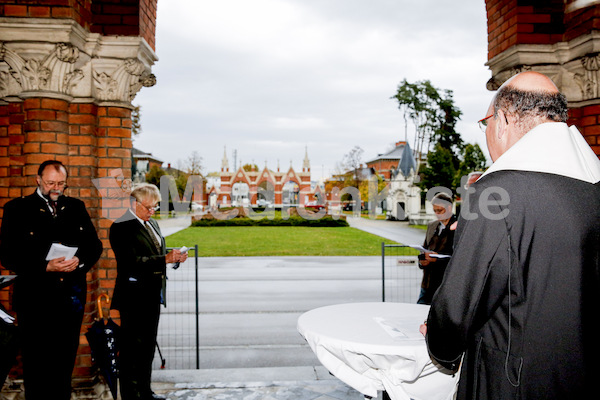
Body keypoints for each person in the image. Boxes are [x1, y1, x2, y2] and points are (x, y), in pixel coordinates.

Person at [422, 71, 600, 399]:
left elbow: (459, 305)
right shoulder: (593, 184)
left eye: (485, 122)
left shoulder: (494, 193)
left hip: (511, 381)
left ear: (503, 119)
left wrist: (440, 342)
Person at [0, 160, 102, 400]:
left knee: (64, 365)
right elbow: (7, 255)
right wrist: (45, 266)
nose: (56, 188)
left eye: (61, 183)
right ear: (38, 180)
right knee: (37, 368)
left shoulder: (76, 207)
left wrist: (79, 261)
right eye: (50, 183)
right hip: (34, 302)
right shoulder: (17, 208)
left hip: (71, 301)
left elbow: (94, 246)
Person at [110, 183, 187, 400]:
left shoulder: (151, 223)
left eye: (155, 207)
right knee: (131, 351)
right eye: (149, 207)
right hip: (133, 298)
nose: (153, 211)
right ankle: (131, 395)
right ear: (134, 204)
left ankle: (144, 391)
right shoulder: (121, 226)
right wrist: (165, 259)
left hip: (152, 295)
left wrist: (174, 259)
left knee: (146, 349)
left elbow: (156, 254)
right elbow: (130, 262)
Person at [417, 192, 456, 305]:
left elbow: (459, 259)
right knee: (419, 313)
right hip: (427, 284)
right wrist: (422, 261)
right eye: (435, 211)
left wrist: (436, 259)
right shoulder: (432, 226)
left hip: (445, 285)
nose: (437, 214)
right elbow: (424, 248)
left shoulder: (458, 226)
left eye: (440, 210)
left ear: (449, 207)